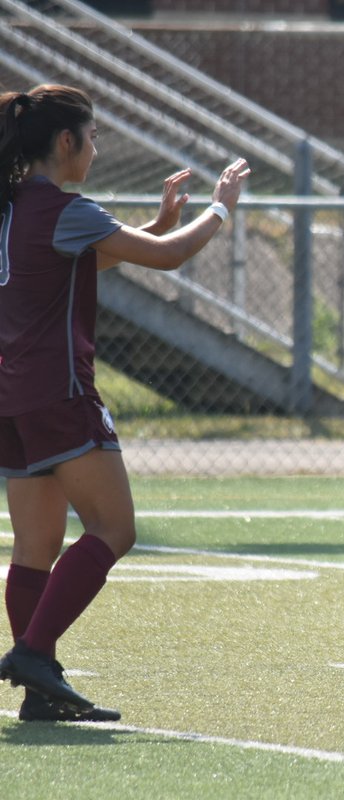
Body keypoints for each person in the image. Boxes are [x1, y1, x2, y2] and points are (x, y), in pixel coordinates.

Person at [0, 85, 250, 721]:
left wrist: (150, 225)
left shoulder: (8, 205)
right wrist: (219, 210)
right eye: (93, 135)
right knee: (114, 529)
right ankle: (32, 654)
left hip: (10, 401)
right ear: (66, 143)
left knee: (34, 550)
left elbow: (59, 271)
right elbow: (168, 259)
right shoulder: (65, 206)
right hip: (60, 392)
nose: (96, 147)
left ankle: (40, 690)